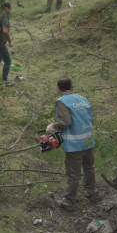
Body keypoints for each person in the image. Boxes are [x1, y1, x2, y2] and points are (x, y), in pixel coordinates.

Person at [46, 77, 99, 211]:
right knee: (89, 168)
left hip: (75, 143)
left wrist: (54, 126)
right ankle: (91, 193)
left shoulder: (62, 101)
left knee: (74, 175)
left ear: (59, 89)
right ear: (72, 86)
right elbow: (90, 118)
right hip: (89, 140)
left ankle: (68, 203)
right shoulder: (82, 99)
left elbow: (67, 123)